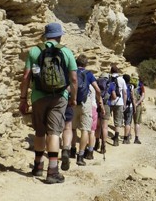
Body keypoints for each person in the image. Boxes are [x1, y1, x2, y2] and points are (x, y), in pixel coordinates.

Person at [19, 22, 77, 184]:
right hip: (59, 97)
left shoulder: (34, 51)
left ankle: (38, 167)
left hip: (38, 96)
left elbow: (26, 78)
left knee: (39, 131)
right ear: (59, 36)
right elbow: (73, 79)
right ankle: (52, 171)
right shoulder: (66, 52)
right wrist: (73, 98)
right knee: (54, 132)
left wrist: (23, 99)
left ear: (45, 35)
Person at [72, 54, 103, 166]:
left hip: (74, 103)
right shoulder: (89, 74)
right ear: (86, 64)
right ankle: (80, 156)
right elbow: (97, 89)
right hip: (86, 104)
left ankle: (71, 150)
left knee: (72, 128)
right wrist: (100, 100)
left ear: (76, 62)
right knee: (85, 130)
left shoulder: (73, 72)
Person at [107, 65, 127, 146]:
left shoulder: (108, 79)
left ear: (111, 71)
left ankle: (102, 137)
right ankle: (116, 139)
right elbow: (125, 93)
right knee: (117, 121)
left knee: (106, 120)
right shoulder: (121, 80)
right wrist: (125, 104)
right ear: (118, 71)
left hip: (109, 102)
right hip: (119, 102)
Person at [131, 73, 146, 144]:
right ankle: (136, 138)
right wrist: (137, 103)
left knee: (128, 121)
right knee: (137, 122)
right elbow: (143, 95)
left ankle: (127, 135)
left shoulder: (129, 84)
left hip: (129, 104)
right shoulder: (140, 85)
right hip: (138, 105)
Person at [122, 74, 136, 144]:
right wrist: (134, 107)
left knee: (124, 122)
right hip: (129, 106)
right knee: (128, 122)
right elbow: (133, 97)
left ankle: (118, 136)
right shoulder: (131, 86)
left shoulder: (121, 85)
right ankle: (126, 138)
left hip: (122, 105)